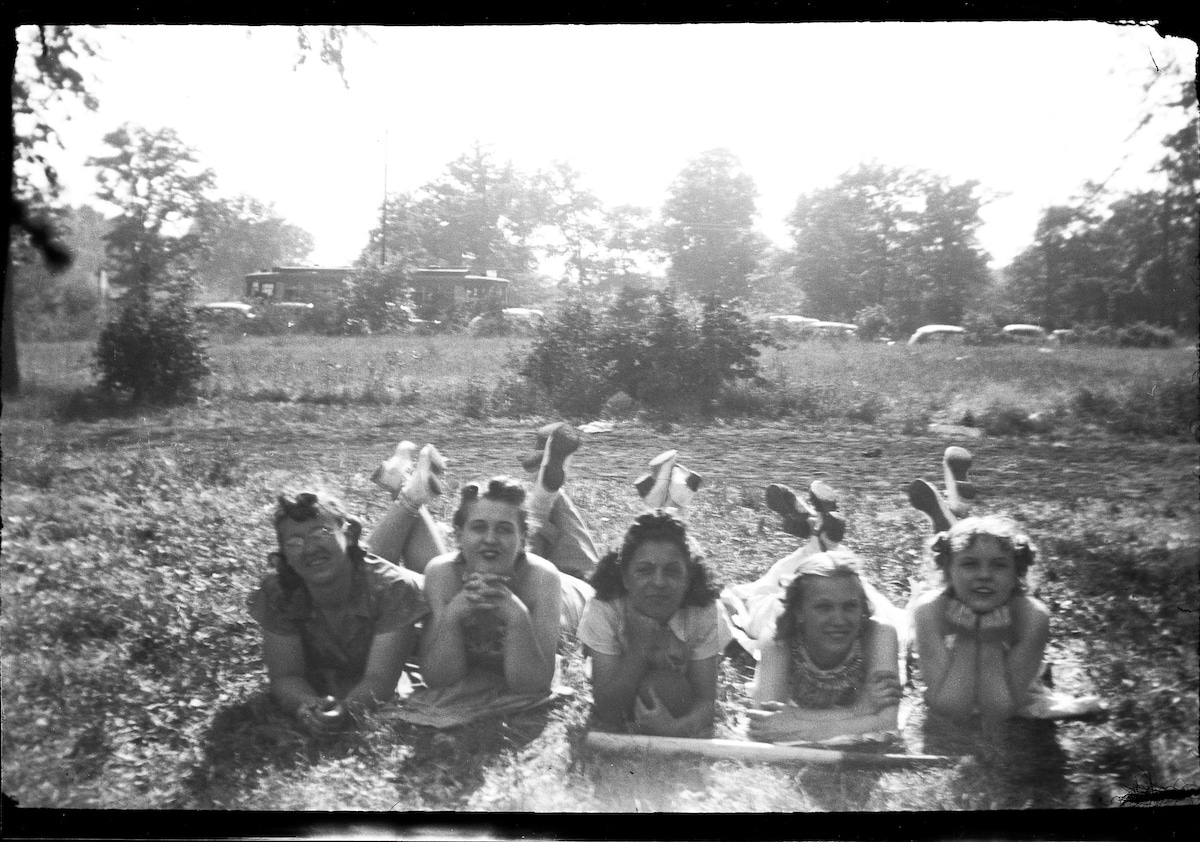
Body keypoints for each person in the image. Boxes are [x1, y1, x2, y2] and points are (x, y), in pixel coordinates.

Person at [247, 491, 428, 734]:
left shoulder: (394, 589)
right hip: (339, 675)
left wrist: (347, 711)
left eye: (320, 533)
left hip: (429, 597)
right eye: (294, 543)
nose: (309, 549)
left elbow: (380, 679)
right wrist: (306, 706)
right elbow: (286, 676)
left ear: (350, 534)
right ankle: (408, 493)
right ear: (284, 555)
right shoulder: (279, 593)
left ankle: (412, 494)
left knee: (438, 575)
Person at [577, 510, 732, 738]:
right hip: (620, 684)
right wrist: (640, 648)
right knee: (659, 688)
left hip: (679, 688)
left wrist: (675, 729)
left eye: (672, 571)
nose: (658, 582)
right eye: (644, 570)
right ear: (625, 578)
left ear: (688, 578)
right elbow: (608, 711)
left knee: (667, 689)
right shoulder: (604, 608)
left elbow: (706, 702)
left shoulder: (704, 611)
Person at [418, 477, 573, 697]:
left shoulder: (543, 580)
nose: (490, 539)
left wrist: (518, 617)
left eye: (504, 529)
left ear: (522, 539)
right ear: (459, 535)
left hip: (574, 595)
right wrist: (452, 617)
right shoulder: (441, 575)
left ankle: (550, 485)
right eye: (479, 527)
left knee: (579, 564)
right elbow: (439, 680)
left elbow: (532, 686)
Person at [745, 548, 903, 744]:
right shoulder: (779, 639)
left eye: (850, 606)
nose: (839, 619)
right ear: (799, 611)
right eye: (824, 607)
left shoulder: (879, 635)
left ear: (862, 607)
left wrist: (797, 725)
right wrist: (859, 712)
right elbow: (765, 724)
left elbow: (887, 723)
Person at [909, 515, 1053, 726]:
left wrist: (990, 643)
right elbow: (952, 708)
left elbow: (997, 710)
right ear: (948, 570)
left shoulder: (1032, 616)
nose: (984, 575)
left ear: (1017, 572)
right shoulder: (930, 612)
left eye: (999, 565)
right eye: (969, 564)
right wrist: (966, 640)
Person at [518, 422, 601, 581]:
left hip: (570, 577)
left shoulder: (552, 498)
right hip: (583, 571)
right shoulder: (555, 497)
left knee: (534, 516)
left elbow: (534, 541)